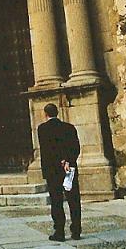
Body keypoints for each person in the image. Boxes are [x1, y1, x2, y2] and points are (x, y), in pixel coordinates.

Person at [37, 103, 81, 241]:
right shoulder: (69, 128)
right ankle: (76, 231)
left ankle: (60, 232)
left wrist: (58, 160)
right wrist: (67, 160)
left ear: (45, 114)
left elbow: (47, 150)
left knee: (56, 201)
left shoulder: (42, 129)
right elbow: (76, 147)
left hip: (53, 170)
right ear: (58, 112)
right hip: (69, 170)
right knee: (74, 200)